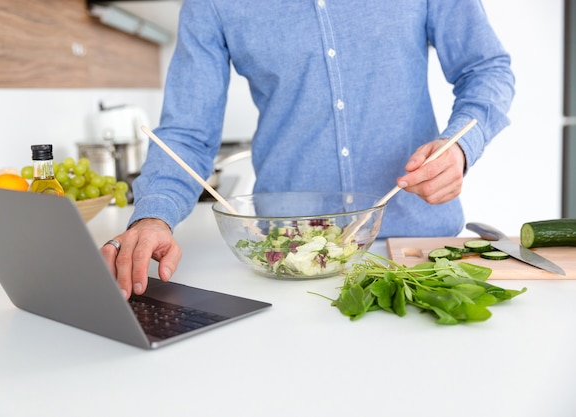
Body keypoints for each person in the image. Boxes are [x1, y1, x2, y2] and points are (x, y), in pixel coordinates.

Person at [101, 0, 515, 299]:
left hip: (416, 246)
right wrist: (153, 217)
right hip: (286, 256)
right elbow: (186, 132)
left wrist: (460, 147)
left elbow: (485, 67)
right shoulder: (211, 5)